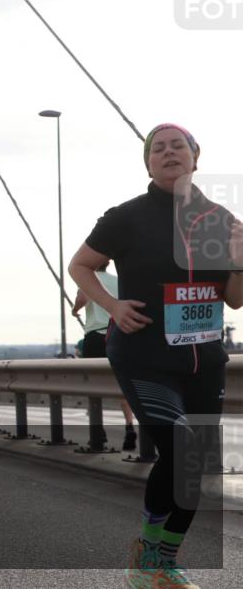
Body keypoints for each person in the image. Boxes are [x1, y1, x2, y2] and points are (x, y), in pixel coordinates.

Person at [68, 123, 243, 588]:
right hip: (144, 354)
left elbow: (235, 299)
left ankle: (162, 561)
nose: (168, 153)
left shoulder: (218, 220)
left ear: (195, 157)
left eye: (177, 146)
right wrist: (112, 307)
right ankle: (147, 558)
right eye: (158, 149)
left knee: (196, 464)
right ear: (148, 163)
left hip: (203, 358)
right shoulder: (127, 217)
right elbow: (80, 265)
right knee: (181, 447)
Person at [72, 266, 139, 451]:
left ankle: (98, 431)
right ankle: (129, 426)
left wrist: (75, 309)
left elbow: (82, 298)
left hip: (95, 336)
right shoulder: (118, 280)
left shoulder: (88, 278)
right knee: (121, 384)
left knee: (93, 385)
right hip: (118, 333)